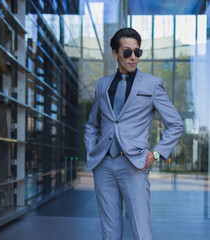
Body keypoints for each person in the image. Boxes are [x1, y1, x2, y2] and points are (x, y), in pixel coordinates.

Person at [84, 28, 184, 240]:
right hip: (103, 165)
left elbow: (175, 124)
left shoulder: (152, 84)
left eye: (137, 52)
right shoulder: (102, 85)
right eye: (127, 52)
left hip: (134, 165)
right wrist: (92, 151)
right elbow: (92, 124)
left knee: (141, 231)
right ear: (115, 53)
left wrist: (155, 154)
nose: (133, 57)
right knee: (110, 232)